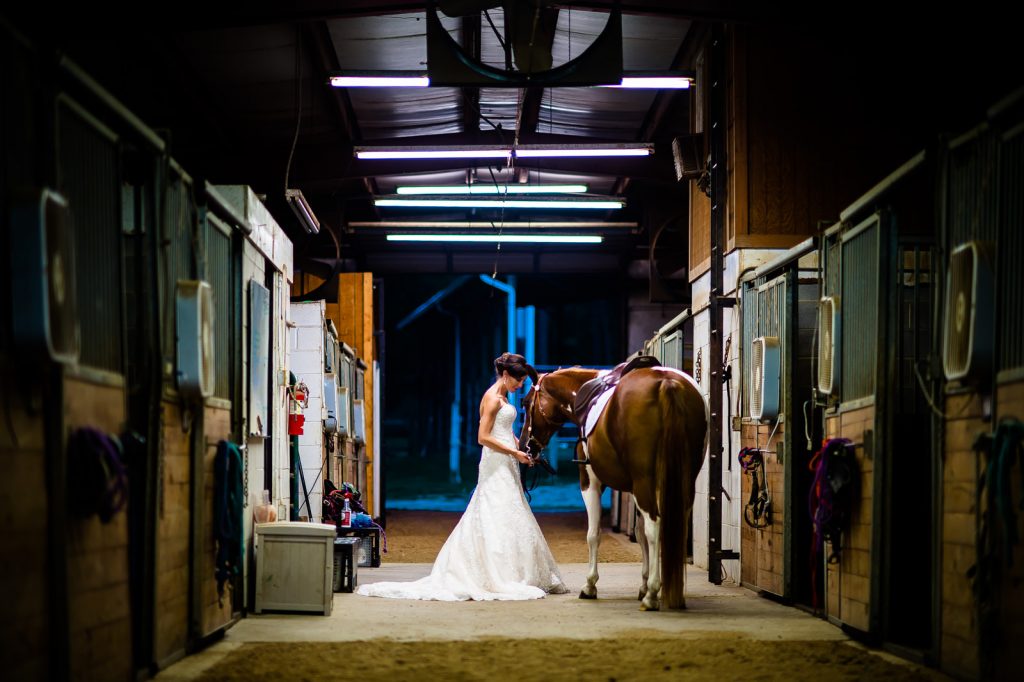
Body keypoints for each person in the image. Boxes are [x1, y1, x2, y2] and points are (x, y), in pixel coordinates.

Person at [357, 352, 568, 601]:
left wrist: (520, 450)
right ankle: (493, 572)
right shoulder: (492, 399)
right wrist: (513, 451)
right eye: (518, 380)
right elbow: (483, 437)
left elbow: (505, 431)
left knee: (509, 510)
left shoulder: (503, 397)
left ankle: (511, 569)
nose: (520, 385)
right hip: (495, 462)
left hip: (507, 460)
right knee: (495, 508)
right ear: (506, 374)